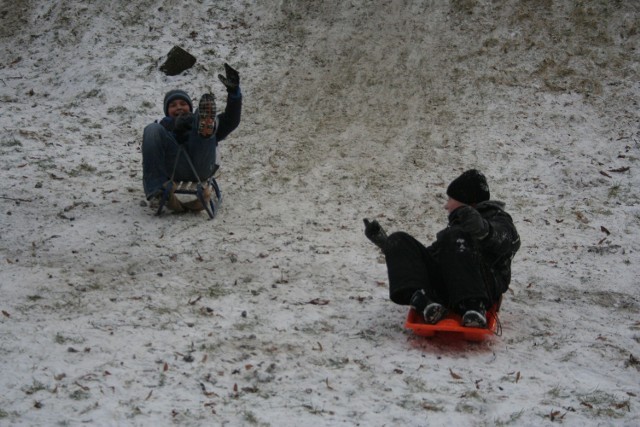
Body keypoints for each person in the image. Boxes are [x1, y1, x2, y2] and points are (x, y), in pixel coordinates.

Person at [363, 169, 520, 328]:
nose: (446, 205)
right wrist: (389, 246)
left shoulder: (496, 219)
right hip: (450, 287)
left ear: (465, 202)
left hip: (483, 287)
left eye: (450, 199)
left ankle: (474, 307)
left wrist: (484, 230)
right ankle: (423, 303)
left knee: (455, 237)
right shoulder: (453, 231)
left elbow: (508, 241)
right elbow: (427, 258)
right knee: (399, 239)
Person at [142, 63, 242, 212]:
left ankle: (204, 130)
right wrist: (174, 125)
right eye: (173, 105)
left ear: (189, 106)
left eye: (183, 103)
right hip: (173, 168)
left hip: (202, 164)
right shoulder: (163, 127)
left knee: (202, 123)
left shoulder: (201, 120)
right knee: (151, 129)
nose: (179, 107)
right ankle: (156, 189)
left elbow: (231, 120)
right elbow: (154, 144)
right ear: (166, 111)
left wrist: (234, 93)